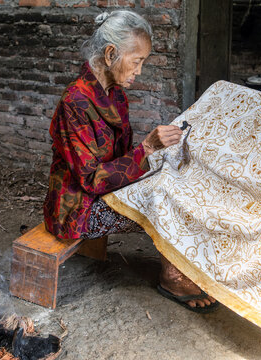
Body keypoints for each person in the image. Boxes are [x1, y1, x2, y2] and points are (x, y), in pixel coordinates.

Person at [43, 10, 217, 312]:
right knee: (165, 194)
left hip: (108, 191)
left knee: (177, 176)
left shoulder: (116, 95)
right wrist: (148, 148)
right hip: (77, 207)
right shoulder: (75, 102)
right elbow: (91, 180)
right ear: (111, 54)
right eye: (137, 60)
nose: (140, 70)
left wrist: (158, 152)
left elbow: (122, 157)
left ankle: (186, 265)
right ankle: (172, 277)